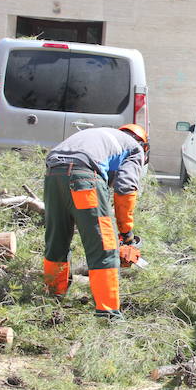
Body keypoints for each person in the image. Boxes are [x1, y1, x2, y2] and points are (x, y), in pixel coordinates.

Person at [42, 124, 149, 319]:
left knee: (57, 241)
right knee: (105, 248)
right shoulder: (135, 149)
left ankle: (52, 300)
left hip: (53, 175)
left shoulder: (103, 136)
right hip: (84, 178)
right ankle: (108, 315)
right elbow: (125, 189)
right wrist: (126, 234)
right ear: (145, 146)